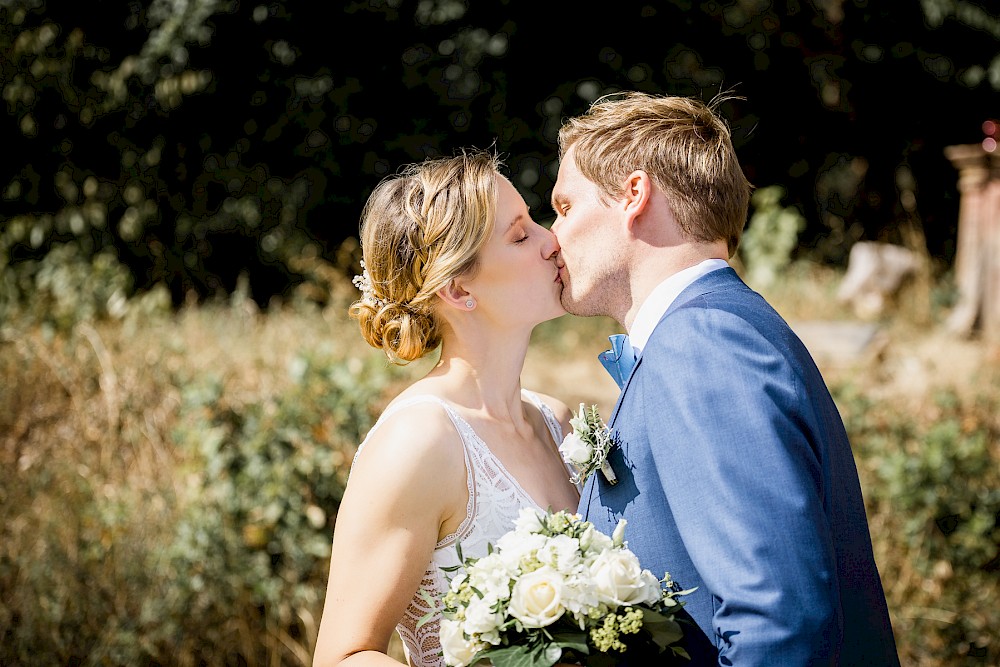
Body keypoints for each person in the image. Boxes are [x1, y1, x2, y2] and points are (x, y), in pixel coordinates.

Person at [550, 91, 900, 665]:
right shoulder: (720, 327)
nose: (552, 237)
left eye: (565, 208)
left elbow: (777, 621)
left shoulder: (703, 343)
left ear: (633, 195)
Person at [312, 150, 581, 667]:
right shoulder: (419, 442)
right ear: (458, 289)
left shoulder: (558, 422)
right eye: (521, 235)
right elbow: (343, 656)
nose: (553, 242)